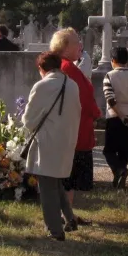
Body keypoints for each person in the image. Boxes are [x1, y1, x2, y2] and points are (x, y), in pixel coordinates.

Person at [22, 52, 81, 241]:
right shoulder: (72, 85)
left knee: (47, 188)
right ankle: (70, 219)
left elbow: (29, 120)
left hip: (47, 142)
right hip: (67, 140)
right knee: (56, 183)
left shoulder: (42, 85)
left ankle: (55, 230)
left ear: (41, 68)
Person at [50, 28, 101, 225]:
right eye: (76, 42)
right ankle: (66, 215)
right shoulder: (68, 68)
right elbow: (83, 98)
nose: (80, 45)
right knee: (70, 175)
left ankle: (67, 213)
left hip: (75, 127)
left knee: (69, 174)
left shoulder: (65, 66)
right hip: (75, 130)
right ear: (64, 47)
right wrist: (96, 113)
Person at [102, 47, 128, 188]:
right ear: (127, 60)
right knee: (125, 149)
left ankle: (120, 171)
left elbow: (110, 99)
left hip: (114, 117)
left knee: (109, 150)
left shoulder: (109, 76)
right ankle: (119, 176)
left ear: (113, 61)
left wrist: (121, 115)